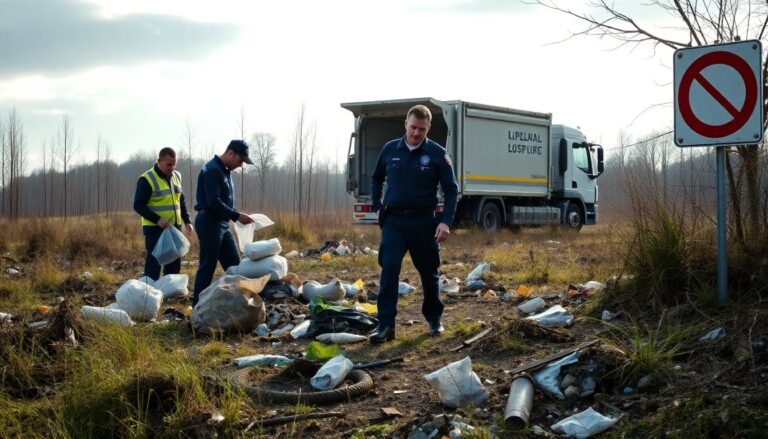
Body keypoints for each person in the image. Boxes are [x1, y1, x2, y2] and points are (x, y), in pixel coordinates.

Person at [368, 105, 459, 344]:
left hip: (423, 222)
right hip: (394, 221)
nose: (416, 133)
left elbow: (451, 189)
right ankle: (386, 325)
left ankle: (434, 319)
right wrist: (376, 206)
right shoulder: (390, 149)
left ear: (428, 128)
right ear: (405, 124)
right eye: (412, 127)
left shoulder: (438, 154)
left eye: (421, 129)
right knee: (389, 269)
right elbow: (376, 178)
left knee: (429, 273)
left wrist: (445, 222)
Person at [192, 139, 255, 306]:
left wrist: (233, 216)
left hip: (221, 224)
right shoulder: (213, 170)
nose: (241, 165)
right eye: (240, 160)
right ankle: (197, 308)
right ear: (230, 153)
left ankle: (238, 305)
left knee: (234, 266)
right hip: (209, 223)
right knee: (207, 267)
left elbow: (223, 201)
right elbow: (213, 201)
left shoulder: (224, 170)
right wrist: (236, 215)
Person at [133, 147, 194, 282]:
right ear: (159, 161)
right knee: (154, 264)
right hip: (155, 229)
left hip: (174, 228)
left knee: (174, 262)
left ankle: (169, 292)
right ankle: (149, 294)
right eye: (168, 164)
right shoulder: (147, 179)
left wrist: (187, 220)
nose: (172, 167)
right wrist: (158, 219)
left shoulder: (177, 176)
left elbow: (180, 199)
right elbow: (138, 205)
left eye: (174, 164)